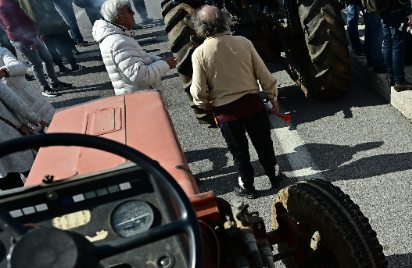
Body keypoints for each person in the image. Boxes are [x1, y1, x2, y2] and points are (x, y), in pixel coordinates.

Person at [190, 5, 286, 198]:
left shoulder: (199, 54)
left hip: (227, 114)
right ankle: (274, 176)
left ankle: (247, 186)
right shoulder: (244, 42)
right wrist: (272, 97)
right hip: (253, 105)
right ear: (224, 21)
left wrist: (203, 104)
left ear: (201, 27)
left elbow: (199, 91)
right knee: (264, 144)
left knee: (239, 152)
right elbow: (264, 74)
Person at [92, 0, 176, 95]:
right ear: (119, 19)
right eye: (129, 10)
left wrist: (159, 59)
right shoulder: (119, 42)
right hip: (140, 99)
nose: (133, 13)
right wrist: (166, 64)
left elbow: (137, 57)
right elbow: (141, 76)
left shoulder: (116, 36)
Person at [0, 0, 72, 97]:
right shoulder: (3, 5)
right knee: (36, 63)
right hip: (22, 40)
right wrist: (29, 41)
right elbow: (11, 27)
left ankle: (55, 83)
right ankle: (45, 88)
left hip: (31, 36)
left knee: (47, 58)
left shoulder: (11, 2)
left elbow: (25, 16)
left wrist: (37, 31)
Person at [0, 82, 45, 190]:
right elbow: (15, 102)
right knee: (41, 178)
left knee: (14, 193)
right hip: (11, 138)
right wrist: (35, 119)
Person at [18, 0, 82, 73]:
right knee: (63, 44)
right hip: (51, 22)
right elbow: (46, 7)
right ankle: (73, 65)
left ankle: (62, 67)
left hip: (42, 25)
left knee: (52, 48)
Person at [0, 46, 55, 124]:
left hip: (31, 102)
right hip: (12, 117)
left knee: (56, 125)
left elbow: (21, 67)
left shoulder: (2, 52)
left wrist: (5, 71)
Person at [379, 0, 412, 91]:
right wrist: (409, 11)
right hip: (396, 9)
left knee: (387, 43)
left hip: (383, 9)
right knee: (397, 45)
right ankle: (399, 80)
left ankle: (391, 77)